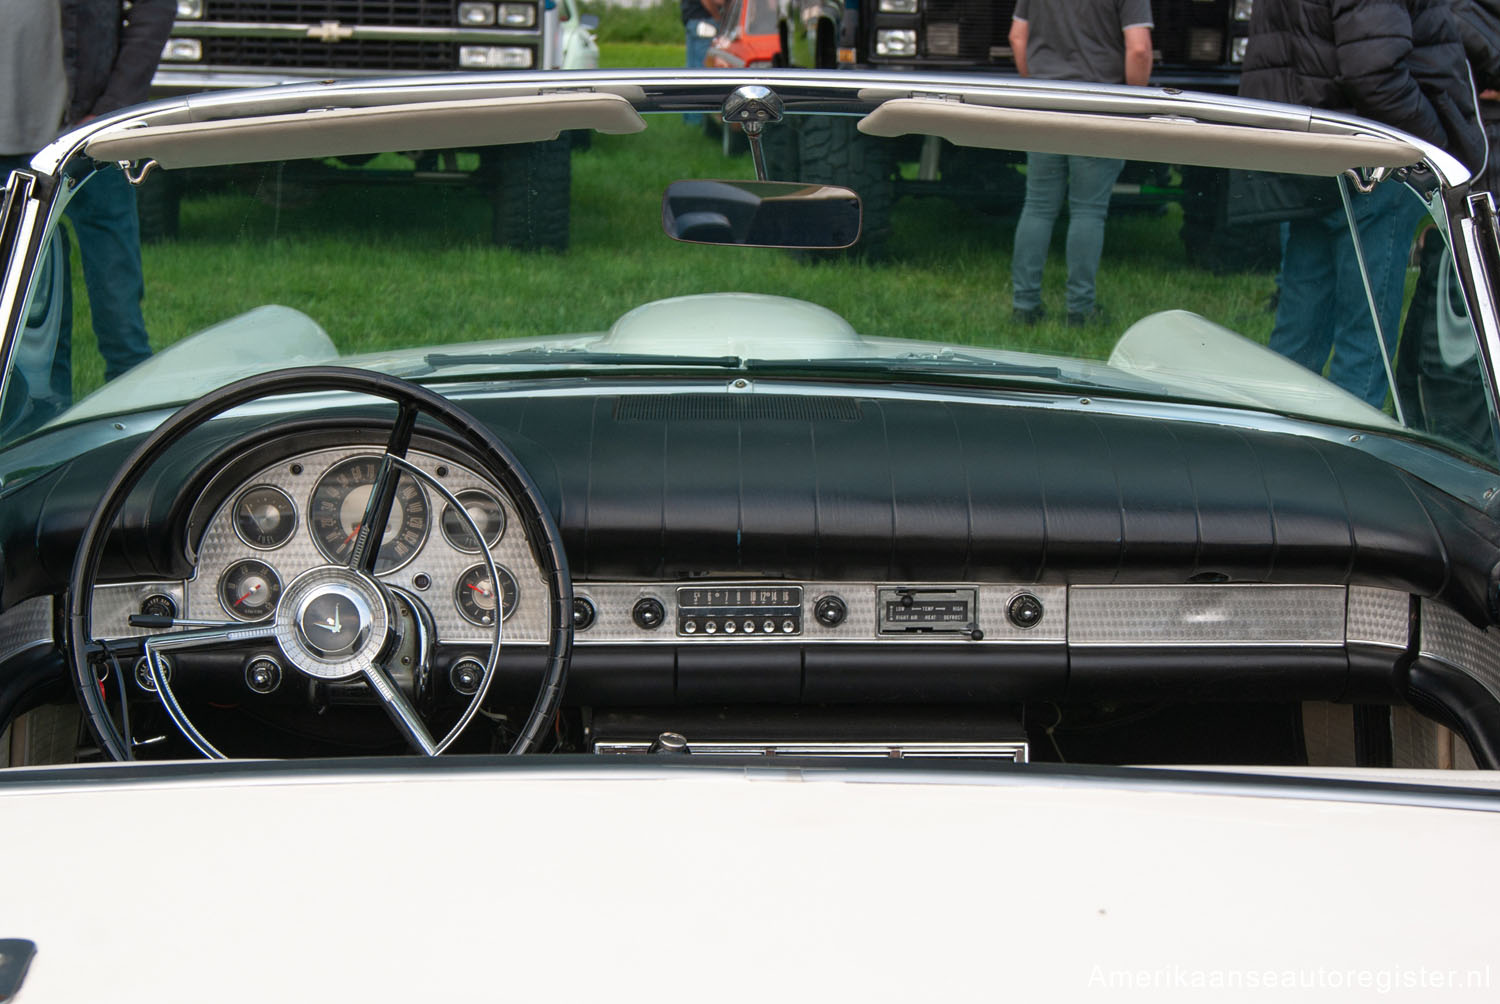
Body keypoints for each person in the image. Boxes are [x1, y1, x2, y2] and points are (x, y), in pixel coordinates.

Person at [1239, 0, 1485, 409]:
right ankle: (1345, 457)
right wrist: (1431, 146)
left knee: (1300, 330)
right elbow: (1374, 70)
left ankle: (1275, 448)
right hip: (1372, 157)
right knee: (1362, 343)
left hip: (1317, 145)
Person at [0, 0, 172, 431]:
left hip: (87, 134)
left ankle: (141, 437)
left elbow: (155, 8)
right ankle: (38, 445)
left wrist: (116, 106)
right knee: (26, 322)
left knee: (120, 321)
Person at [1008, 0, 1153, 327]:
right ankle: (1080, 310)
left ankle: (1025, 306)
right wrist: (1135, 102)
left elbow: (1018, 37)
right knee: (1089, 210)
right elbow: (1139, 49)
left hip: (1044, 102)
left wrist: (1037, 83)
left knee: (1038, 206)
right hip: (1099, 104)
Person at [682, 0, 724, 126]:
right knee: (703, 74)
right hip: (705, 22)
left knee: (691, 72)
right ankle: (701, 119)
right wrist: (718, 18)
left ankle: (692, 119)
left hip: (693, 21)